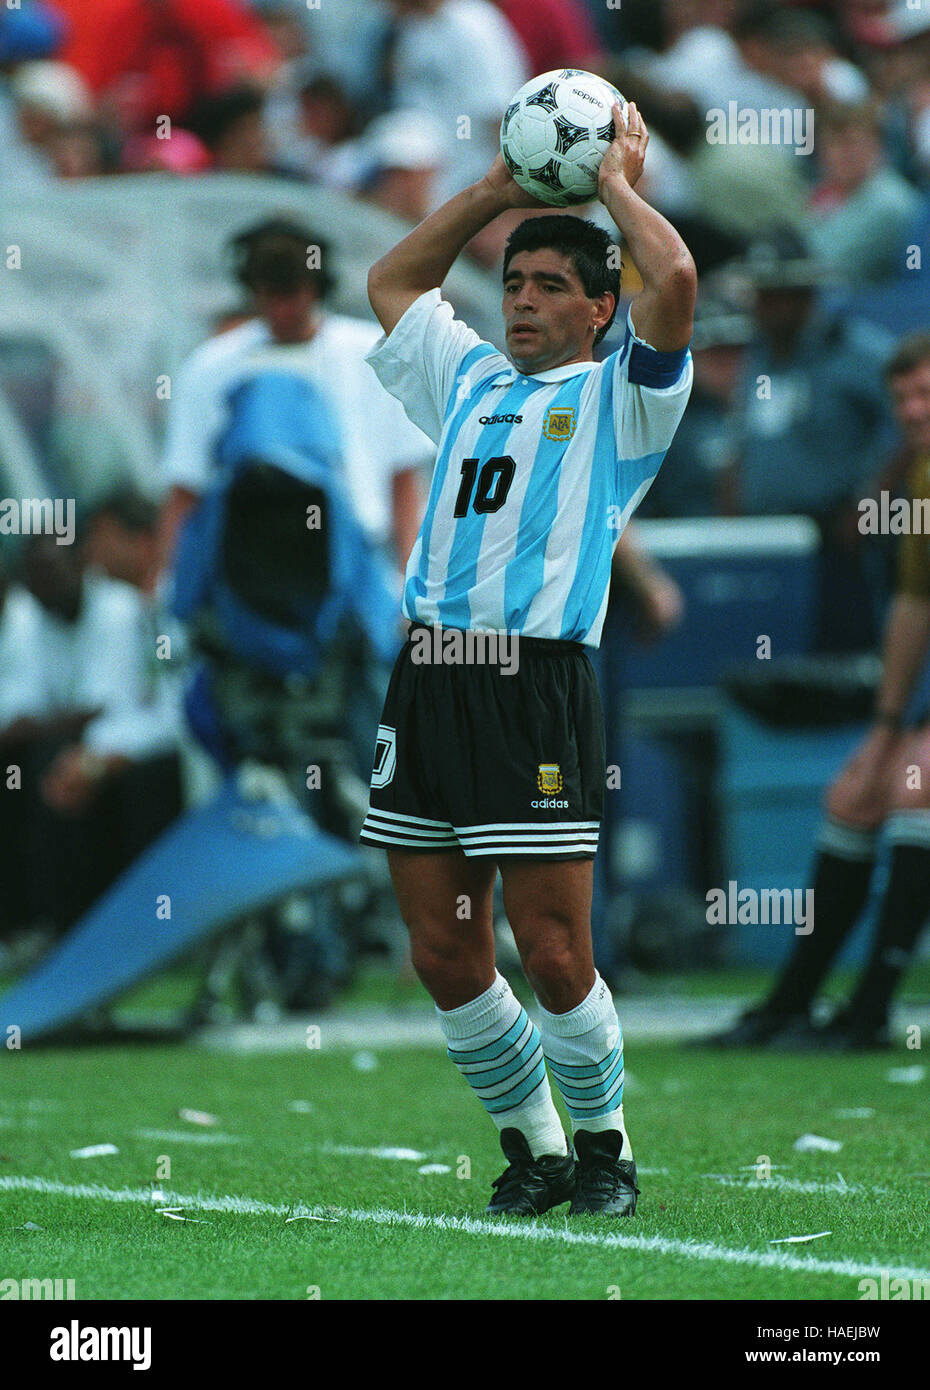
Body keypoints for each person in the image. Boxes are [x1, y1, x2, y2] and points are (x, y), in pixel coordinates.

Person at [361, 102, 696, 1216]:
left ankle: (607, 1149)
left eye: (551, 287)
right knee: (444, 951)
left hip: (532, 682)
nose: (523, 302)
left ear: (602, 309)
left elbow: (680, 285)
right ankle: (535, 1150)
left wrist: (613, 192)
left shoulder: (619, 403)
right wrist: (499, 192)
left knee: (553, 951)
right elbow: (394, 285)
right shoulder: (466, 378)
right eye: (513, 284)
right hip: (428, 678)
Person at [703, 330, 930, 1051]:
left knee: (916, 792)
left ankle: (869, 1011)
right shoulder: (922, 473)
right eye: (901, 397)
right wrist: (888, 726)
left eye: (925, 392)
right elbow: (914, 604)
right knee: (854, 793)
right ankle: (792, 1003)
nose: (912, 409)